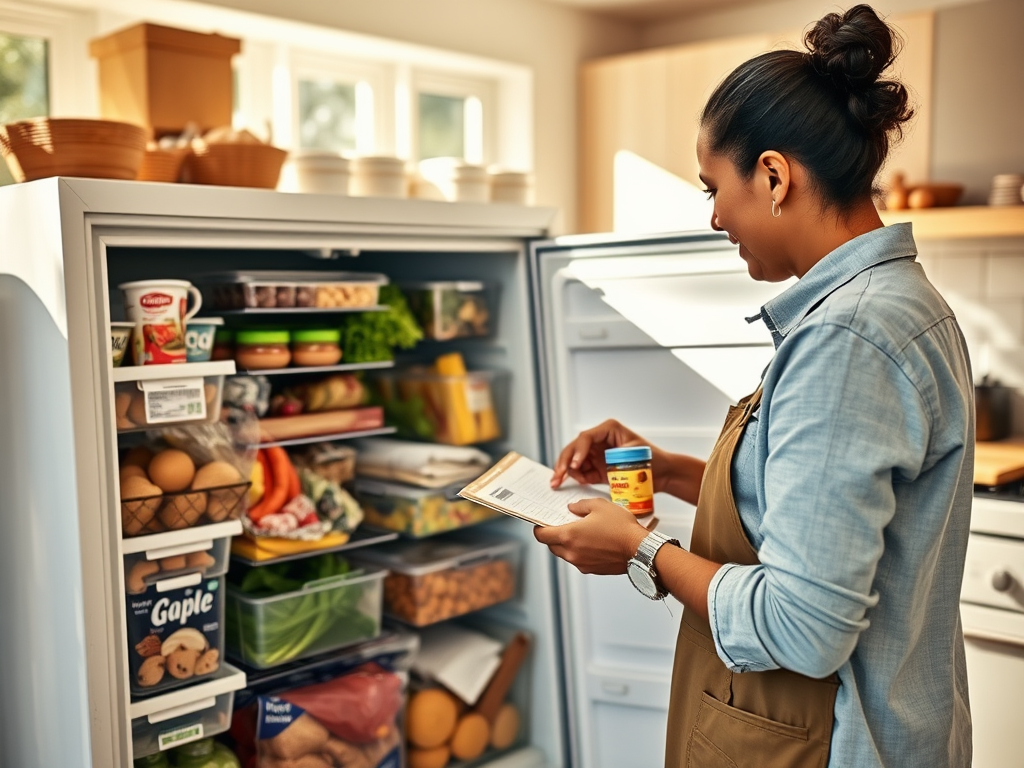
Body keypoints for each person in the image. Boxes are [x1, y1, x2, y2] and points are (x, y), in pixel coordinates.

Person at [537, 5, 973, 768]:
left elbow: (801, 627)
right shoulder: (887, 305)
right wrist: (666, 469)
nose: (712, 217)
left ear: (773, 176)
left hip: (840, 743)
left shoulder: (848, 337)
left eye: (713, 188)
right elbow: (823, 514)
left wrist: (641, 549)